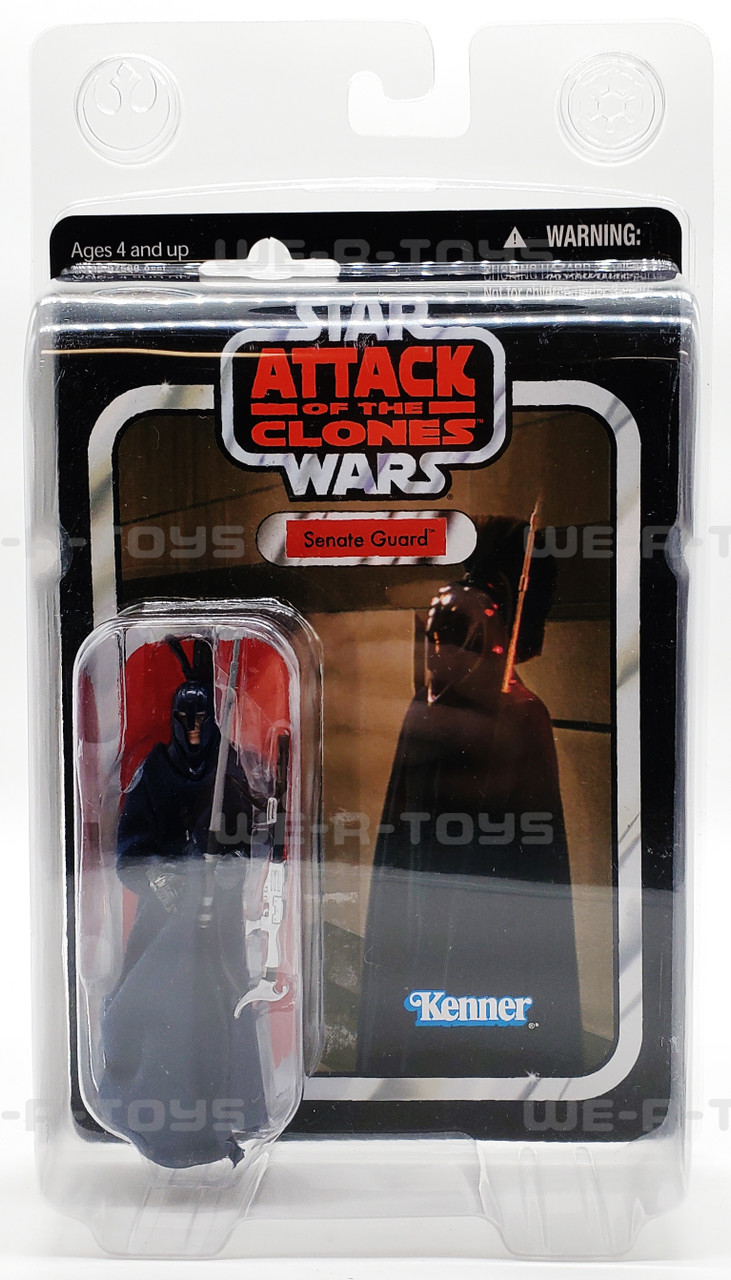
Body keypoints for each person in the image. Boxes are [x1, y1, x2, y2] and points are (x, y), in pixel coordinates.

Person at [356, 518, 585, 1080]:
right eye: (437, 640)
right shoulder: (456, 710)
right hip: (450, 918)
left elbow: (532, 856)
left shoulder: (508, 713)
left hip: (480, 929)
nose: (440, 652)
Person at [98, 638, 276, 1168]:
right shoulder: (154, 772)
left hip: (218, 919)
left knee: (225, 1003)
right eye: (185, 717)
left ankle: (229, 1113)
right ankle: (150, 1102)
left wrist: (229, 866)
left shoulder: (231, 771)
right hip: (164, 920)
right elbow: (130, 850)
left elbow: (254, 843)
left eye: (202, 716)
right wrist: (161, 879)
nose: (195, 727)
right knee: (150, 1000)